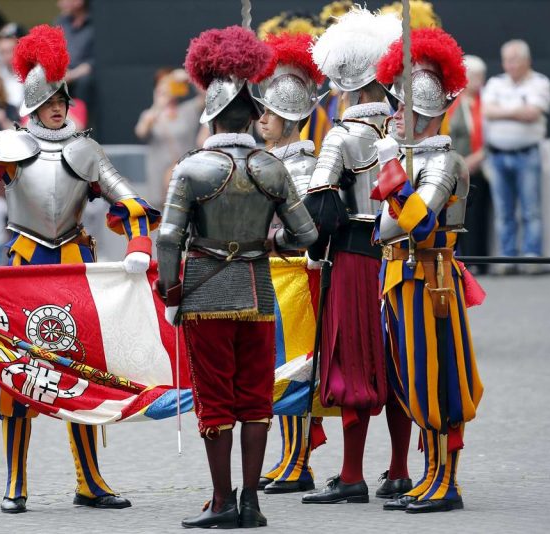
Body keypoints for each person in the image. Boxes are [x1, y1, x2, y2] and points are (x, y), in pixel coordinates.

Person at [0, 25, 159, 513]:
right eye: (49, 99)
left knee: (83, 373)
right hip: (24, 270)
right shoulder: (8, 144)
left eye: (62, 98)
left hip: (75, 268)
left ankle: (90, 481)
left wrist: (138, 244)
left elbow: (129, 199)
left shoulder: (88, 150)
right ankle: (15, 482)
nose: (58, 106)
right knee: (17, 374)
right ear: (31, 103)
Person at [155, 26, 318, 529]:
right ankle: (252, 502)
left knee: (215, 399)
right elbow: (305, 235)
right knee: (254, 397)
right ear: (251, 115)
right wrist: (270, 244)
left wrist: (171, 289)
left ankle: (223, 501)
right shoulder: (269, 166)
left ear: (211, 117)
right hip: (258, 290)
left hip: (204, 291)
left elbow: (167, 240)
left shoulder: (192, 169)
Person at [301, 7, 412, 506]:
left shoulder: (341, 137)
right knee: (396, 361)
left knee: (352, 362)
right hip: (400, 256)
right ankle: (400, 469)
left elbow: (320, 212)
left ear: (347, 83)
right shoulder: (403, 134)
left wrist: (298, 245)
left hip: (352, 258)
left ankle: (351, 475)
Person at [373, 27, 484, 513]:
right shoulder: (412, 156)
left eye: (403, 107)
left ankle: (447, 482)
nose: (396, 114)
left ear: (426, 113)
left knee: (437, 381)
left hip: (431, 279)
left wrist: (395, 178)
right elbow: (384, 230)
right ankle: (430, 474)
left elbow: (418, 225)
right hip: (403, 279)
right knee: (412, 378)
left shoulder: (443, 161)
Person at [252, 31, 324, 495]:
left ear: (289, 118)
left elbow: (297, 226)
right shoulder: (269, 157)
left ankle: (297, 462)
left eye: (269, 113)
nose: (262, 119)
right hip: (270, 274)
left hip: (293, 274)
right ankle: (287, 457)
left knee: (294, 367)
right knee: (275, 368)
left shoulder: (299, 164)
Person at [482, 39, 550, 270]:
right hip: (497, 155)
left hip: (527, 155)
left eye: (515, 60)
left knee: (530, 209)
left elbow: (533, 114)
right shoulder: (495, 83)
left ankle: (531, 256)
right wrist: (518, 109)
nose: (510, 65)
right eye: (507, 60)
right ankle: (507, 257)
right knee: (504, 211)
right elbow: (487, 112)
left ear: (527, 61)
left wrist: (502, 111)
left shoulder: (540, 83)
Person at [447, 55, 491, 271]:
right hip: (455, 168)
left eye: (481, 76)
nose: (479, 80)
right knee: (457, 216)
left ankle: (479, 261)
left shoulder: (487, 102)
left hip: (479, 167)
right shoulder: (454, 102)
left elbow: (492, 136)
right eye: (475, 75)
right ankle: (461, 261)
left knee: (477, 216)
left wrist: (478, 157)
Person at [134, 68, 203, 204]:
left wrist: (191, 78)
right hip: (159, 182)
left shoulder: (189, 109)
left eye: (170, 84)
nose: (167, 88)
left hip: (186, 176)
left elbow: (209, 96)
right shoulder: (151, 115)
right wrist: (159, 105)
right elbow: (141, 131)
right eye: (162, 84)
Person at [54, 0, 95, 116]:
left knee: (85, 82)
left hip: (83, 76)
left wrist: (72, 75)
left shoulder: (96, 23)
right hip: (62, 73)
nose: (59, 4)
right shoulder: (61, 22)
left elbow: (95, 60)